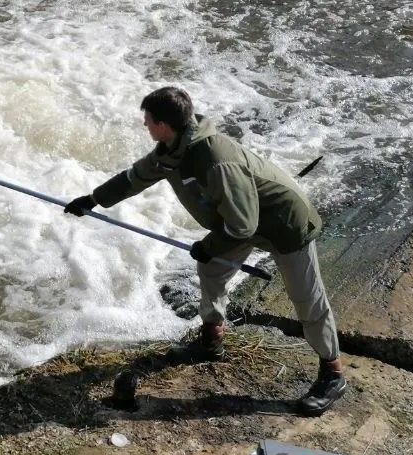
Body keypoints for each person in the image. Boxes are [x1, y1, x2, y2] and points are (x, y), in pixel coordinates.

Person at [63, 86, 346, 416]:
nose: (145, 125)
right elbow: (135, 177)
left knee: (307, 301)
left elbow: (242, 225)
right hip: (243, 218)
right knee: (211, 270)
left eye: (148, 120)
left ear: (164, 124)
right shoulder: (171, 151)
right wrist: (94, 200)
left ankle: (333, 374)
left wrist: (209, 244)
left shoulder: (214, 161)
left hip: (285, 225)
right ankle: (211, 339)